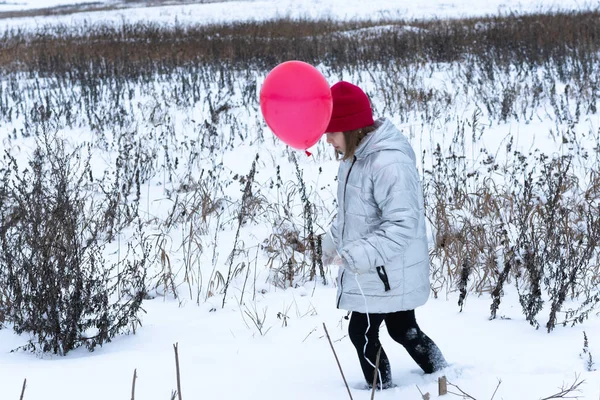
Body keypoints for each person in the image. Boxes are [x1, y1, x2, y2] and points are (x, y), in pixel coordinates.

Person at [321, 81, 447, 390]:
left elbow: (401, 226)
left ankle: (382, 390)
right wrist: (331, 243)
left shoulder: (388, 162)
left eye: (332, 133)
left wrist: (355, 255)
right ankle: (442, 375)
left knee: (362, 332)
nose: (327, 141)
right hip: (381, 267)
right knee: (403, 328)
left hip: (387, 268)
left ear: (350, 129)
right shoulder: (355, 159)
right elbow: (354, 216)